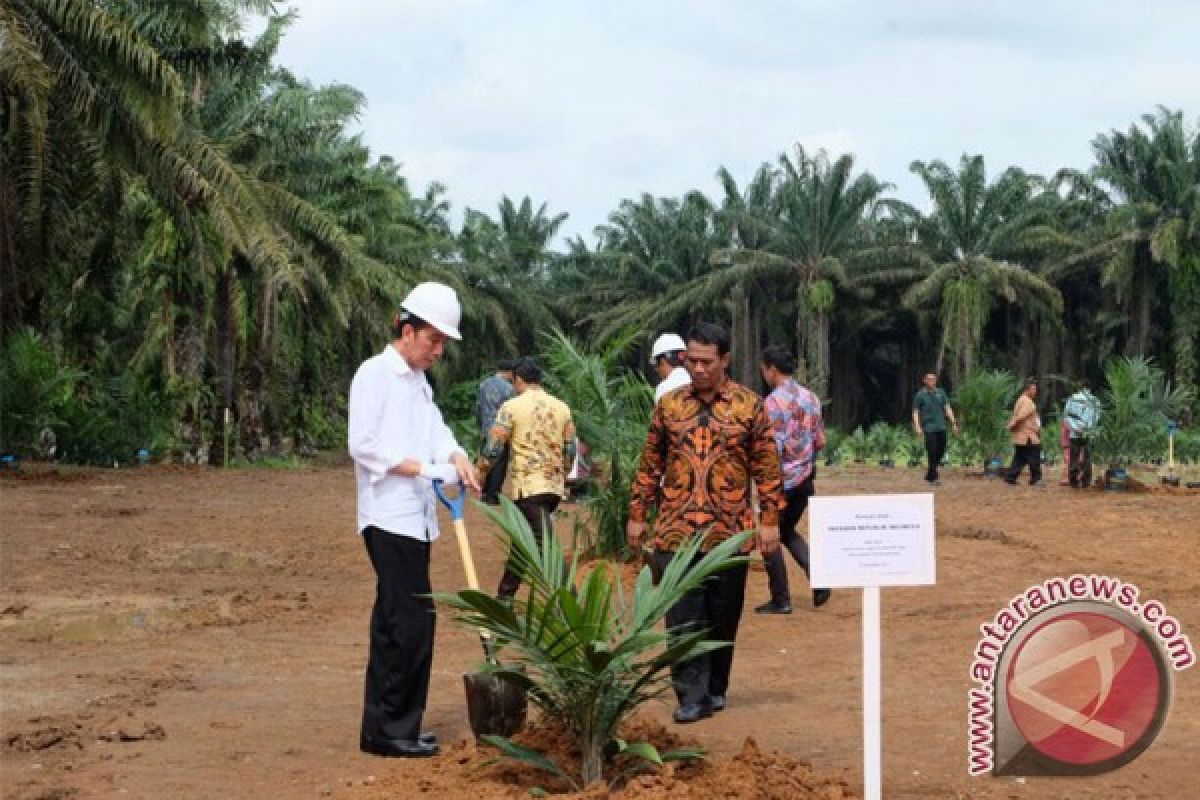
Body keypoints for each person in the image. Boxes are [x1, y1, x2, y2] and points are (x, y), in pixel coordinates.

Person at [347, 282, 480, 759]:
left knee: (398, 620)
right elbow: (363, 446)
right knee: (409, 624)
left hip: (416, 519)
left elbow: (435, 429)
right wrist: (428, 469)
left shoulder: (418, 383)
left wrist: (456, 454)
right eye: (433, 340)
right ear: (407, 329)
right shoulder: (375, 375)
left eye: (443, 342)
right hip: (389, 517)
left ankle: (388, 727)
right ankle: (391, 731)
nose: (438, 351)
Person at [627, 322, 782, 724]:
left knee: (723, 613)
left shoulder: (750, 406)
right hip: (676, 532)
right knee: (682, 616)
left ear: (725, 360)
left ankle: (715, 688)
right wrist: (637, 514)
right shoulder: (670, 406)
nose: (698, 369)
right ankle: (689, 695)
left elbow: (767, 468)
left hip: (728, 532)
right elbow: (650, 463)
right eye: (691, 361)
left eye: (706, 361)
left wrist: (769, 522)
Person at [479, 357, 576, 599]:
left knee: (547, 550)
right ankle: (504, 599)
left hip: (528, 489)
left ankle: (574, 604)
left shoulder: (511, 407)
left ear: (519, 380)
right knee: (523, 546)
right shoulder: (562, 407)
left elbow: (493, 449)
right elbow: (571, 451)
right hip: (552, 488)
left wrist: (481, 473)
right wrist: (561, 475)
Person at [753, 346, 830, 614]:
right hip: (807, 479)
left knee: (769, 535)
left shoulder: (772, 404)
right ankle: (820, 580)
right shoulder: (812, 398)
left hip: (781, 482)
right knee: (786, 531)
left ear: (771, 369)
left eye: (763, 370)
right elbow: (820, 441)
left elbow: (770, 450)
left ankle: (781, 599)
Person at [477, 359, 516, 504]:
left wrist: (481, 425)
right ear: (509, 373)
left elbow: (478, 407)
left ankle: (484, 491)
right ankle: (493, 494)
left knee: (486, 459)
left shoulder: (483, 384)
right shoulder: (509, 389)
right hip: (501, 430)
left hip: (486, 428)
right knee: (499, 461)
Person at [911, 371, 958, 485]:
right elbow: (915, 412)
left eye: (933, 379)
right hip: (929, 428)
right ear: (925, 381)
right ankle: (934, 478)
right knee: (932, 451)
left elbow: (947, 407)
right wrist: (917, 426)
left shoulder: (940, 393)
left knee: (941, 450)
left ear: (935, 381)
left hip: (941, 426)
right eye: (929, 379)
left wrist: (953, 423)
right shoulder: (920, 395)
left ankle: (930, 473)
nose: (931, 381)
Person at [1004, 379, 1042, 486]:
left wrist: (1012, 424)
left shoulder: (1021, 399)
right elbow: (1021, 416)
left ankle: (1011, 477)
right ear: (1027, 390)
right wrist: (1012, 424)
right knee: (1034, 456)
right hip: (1028, 436)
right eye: (1033, 389)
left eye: (1035, 389)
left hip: (1021, 436)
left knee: (1019, 458)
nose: (1035, 391)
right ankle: (1036, 479)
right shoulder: (1028, 402)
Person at [1063, 385, 1100, 489]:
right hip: (1088, 434)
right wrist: (1086, 428)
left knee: (1074, 457)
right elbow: (1096, 418)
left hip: (1074, 434)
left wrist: (1075, 428)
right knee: (1087, 458)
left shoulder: (1072, 399)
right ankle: (1086, 482)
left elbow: (1066, 416)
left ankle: (1073, 481)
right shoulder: (1095, 401)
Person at [651, 332, 691, 404]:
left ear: (663, 361)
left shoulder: (664, 388)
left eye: (655, 363)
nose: (656, 369)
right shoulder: (698, 381)